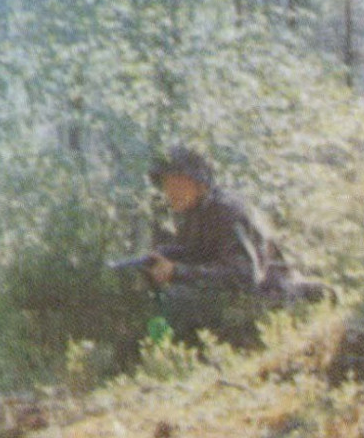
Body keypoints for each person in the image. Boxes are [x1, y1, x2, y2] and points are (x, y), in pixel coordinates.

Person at [138, 146, 323, 347]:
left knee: (180, 300)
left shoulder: (225, 211)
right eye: (166, 184)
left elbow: (243, 275)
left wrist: (177, 271)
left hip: (272, 295)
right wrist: (166, 256)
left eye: (177, 183)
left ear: (199, 183)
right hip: (248, 297)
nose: (170, 191)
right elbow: (202, 254)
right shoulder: (195, 212)